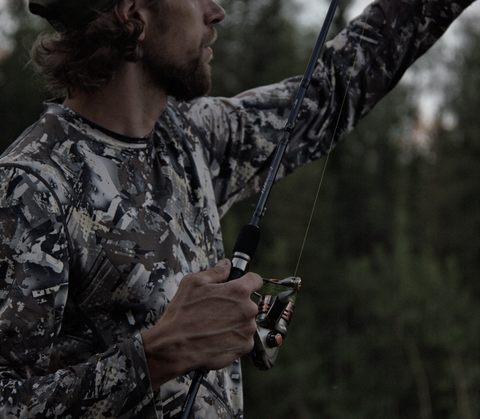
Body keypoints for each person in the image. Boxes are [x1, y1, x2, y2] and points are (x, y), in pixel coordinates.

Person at [0, 0, 474, 417]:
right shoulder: (31, 185)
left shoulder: (190, 137)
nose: (216, 12)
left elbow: (330, 91)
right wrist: (156, 355)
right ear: (132, 13)